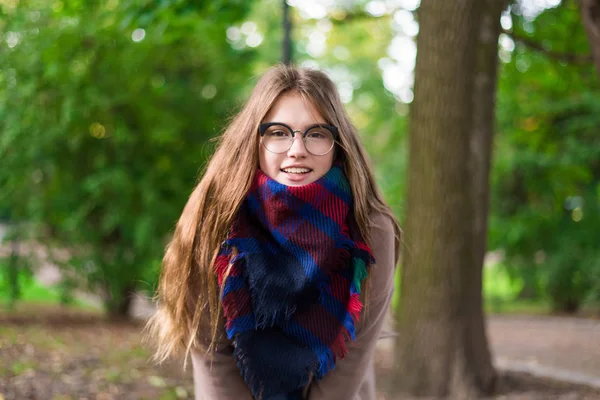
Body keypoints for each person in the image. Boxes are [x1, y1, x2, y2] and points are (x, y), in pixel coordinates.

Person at [144, 64, 401, 400]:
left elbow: (353, 356)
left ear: (337, 143)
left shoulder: (370, 227)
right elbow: (214, 356)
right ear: (255, 139)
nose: (297, 149)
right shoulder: (214, 220)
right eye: (279, 132)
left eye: (316, 133)